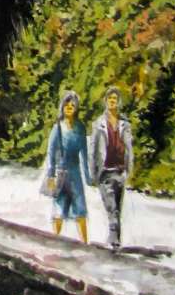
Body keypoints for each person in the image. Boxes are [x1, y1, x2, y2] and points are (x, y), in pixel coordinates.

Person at [41, 90, 90, 244]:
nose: (69, 107)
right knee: (59, 210)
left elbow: (84, 153)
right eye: (67, 105)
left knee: (80, 209)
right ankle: (55, 241)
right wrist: (50, 175)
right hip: (60, 173)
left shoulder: (80, 128)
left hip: (75, 172)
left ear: (76, 108)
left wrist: (88, 175)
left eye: (72, 105)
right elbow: (50, 152)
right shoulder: (57, 128)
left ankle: (85, 243)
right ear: (62, 107)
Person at [89, 86, 134, 250]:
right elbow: (93, 149)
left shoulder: (125, 124)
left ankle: (115, 239)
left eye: (115, 99)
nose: (112, 101)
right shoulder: (98, 124)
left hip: (120, 171)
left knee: (117, 209)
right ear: (106, 101)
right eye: (110, 99)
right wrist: (93, 173)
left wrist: (129, 169)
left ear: (119, 102)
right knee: (111, 208)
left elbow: (129, 148)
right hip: (105, 172)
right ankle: (114, 240)